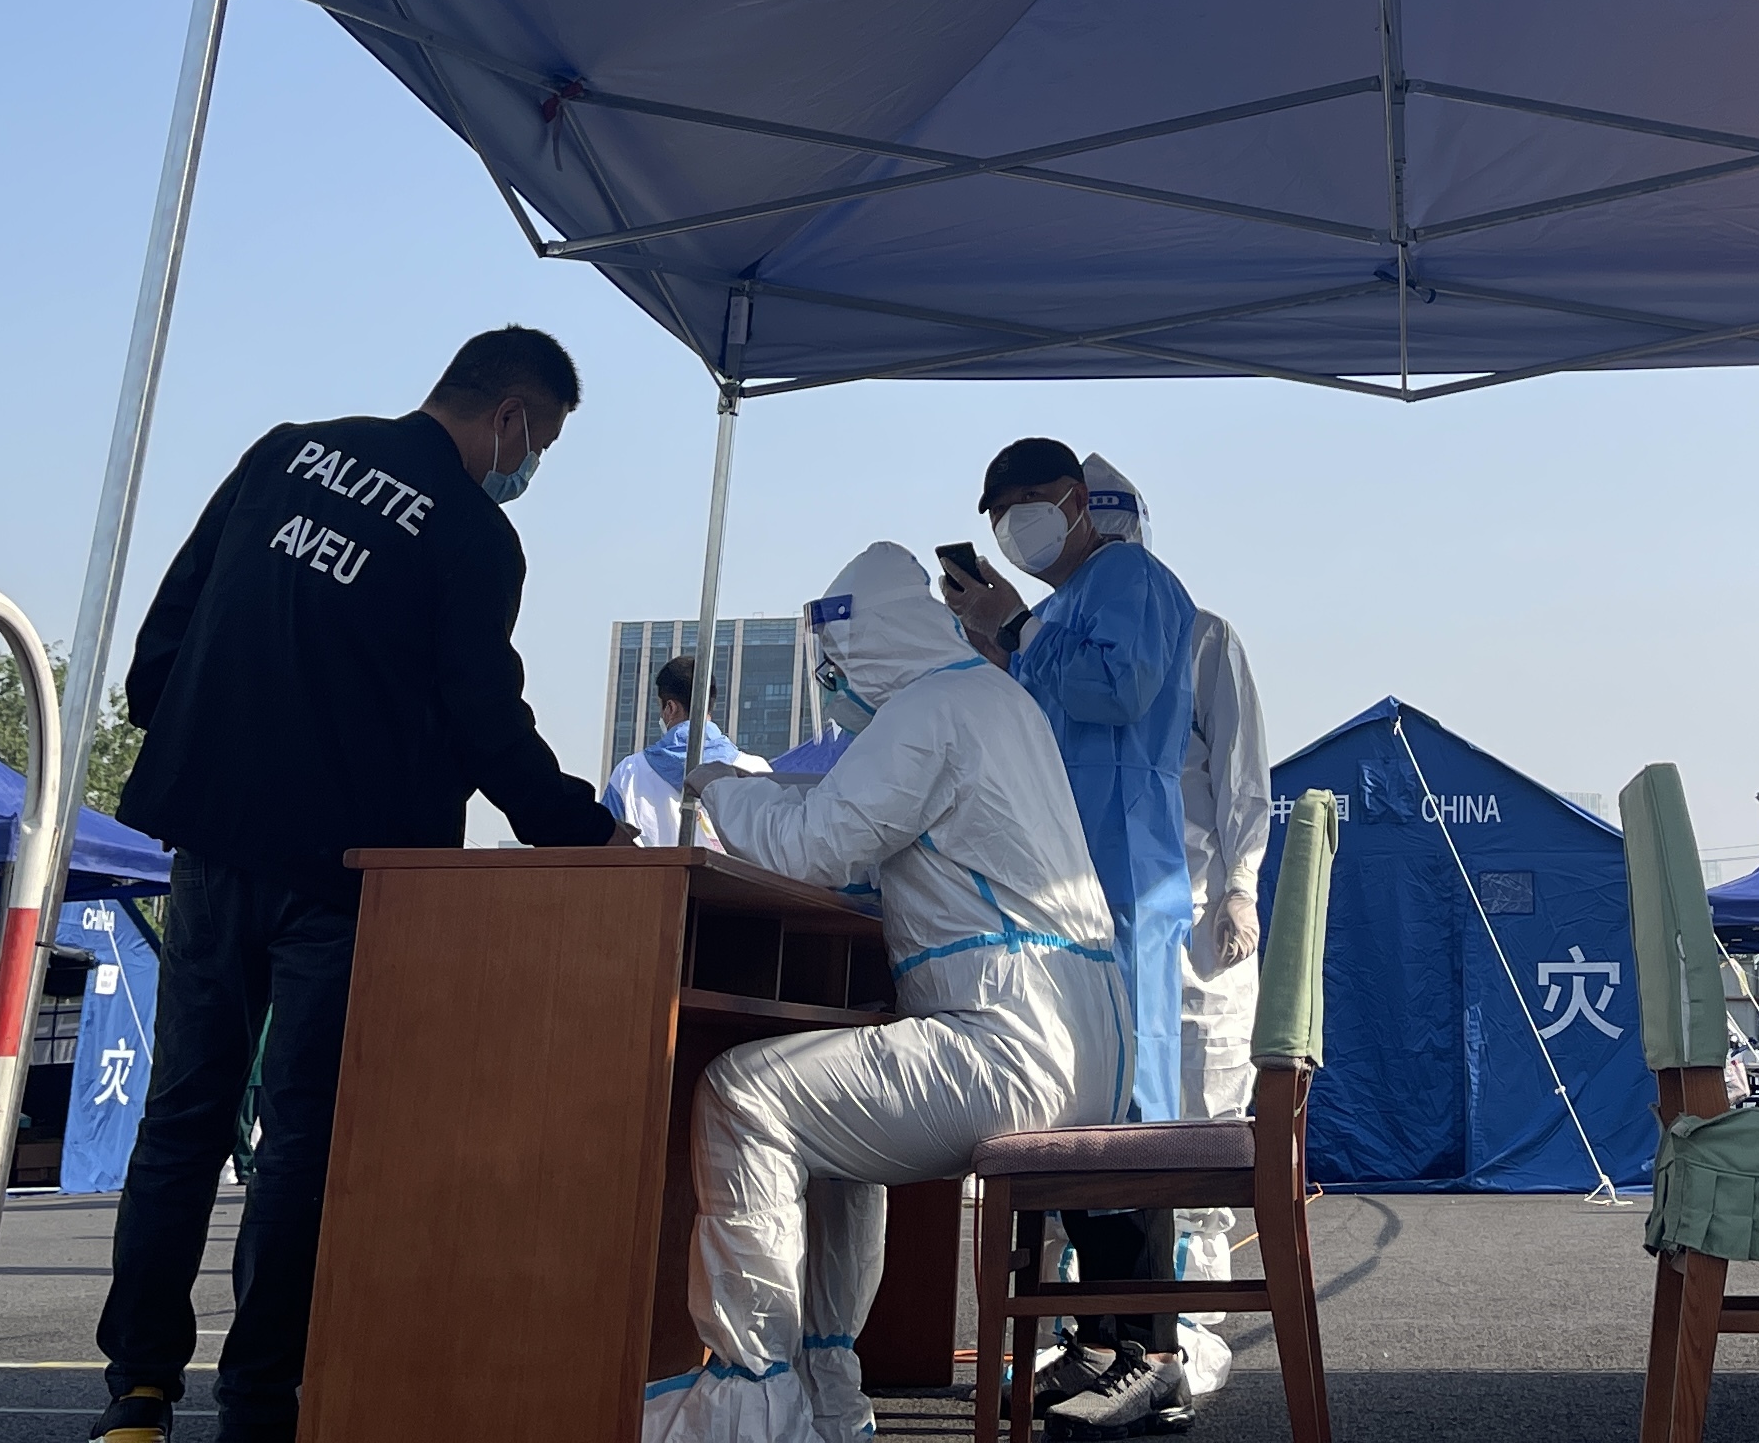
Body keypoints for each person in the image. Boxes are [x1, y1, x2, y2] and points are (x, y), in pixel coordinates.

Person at [89, 326, 622, 1443]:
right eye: (539, 445)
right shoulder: (473, 533)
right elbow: (484, 717)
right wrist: (582, 833)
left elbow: (173, 618)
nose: (527, 469)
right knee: (302, 1137)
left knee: (183, 1115)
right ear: (511, 418)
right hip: (346, 871)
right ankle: (259, 1402)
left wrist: (188, 731)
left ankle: (137, 1390)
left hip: (214, 836)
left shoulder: (286, 452)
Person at [661, 542, 1128, 1443]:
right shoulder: (997, 701)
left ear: (866, 649)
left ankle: (752, 1400)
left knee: (742, 1095)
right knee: (831, 1123)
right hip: (1080, 1055)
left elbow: (814, 846)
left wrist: (721, 789)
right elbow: (862, 814)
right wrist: (766, 791)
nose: (833, 689)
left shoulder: (928, 710)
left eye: (836, 669)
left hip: (1007, 1055)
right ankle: (830, 1394)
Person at [942, 438, 1198, 1436]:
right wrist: (996, 646)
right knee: (1081, 1104)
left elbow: (1119, 689)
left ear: (1076, 500)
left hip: (1124, 877)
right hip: (1065, 881)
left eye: (1027, 503)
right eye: (1000, 513)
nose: (1017, 526)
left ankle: (1156, 1354)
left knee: (1128, 1114)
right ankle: (1098, 1340)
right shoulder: (1061, 610)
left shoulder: (1127, 578)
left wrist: (1019, 629)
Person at [1082, 456, 1268, 1403]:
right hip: (1093, 920)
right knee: (1097, 1121)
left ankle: (1181, 1329)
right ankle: (1102, 1326)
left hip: (1188, 916)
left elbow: (1241, 778)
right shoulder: (1055, 640)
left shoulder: (1202, 638)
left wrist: (1240, 888)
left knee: (1193, 1111)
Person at [609, 653, 764, 846]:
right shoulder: (756, 770)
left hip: (651, 867)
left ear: (670, 708)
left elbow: (603, 844)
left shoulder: (629, 774)